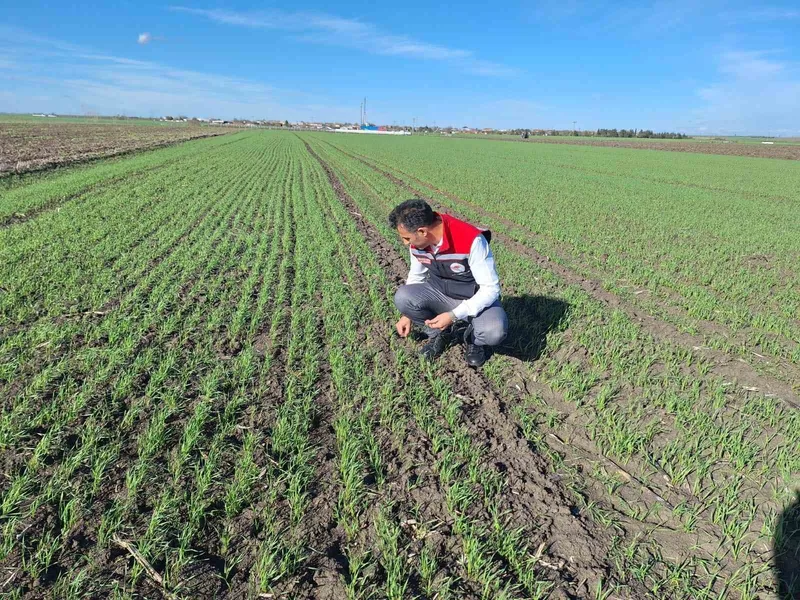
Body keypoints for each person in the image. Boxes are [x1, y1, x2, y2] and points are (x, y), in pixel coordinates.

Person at [389, 199, 508, 367]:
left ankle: (474, 340)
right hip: (440, 293)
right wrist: (407, 315)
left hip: (473, 296)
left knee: (494, 331)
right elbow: (416, 276)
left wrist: (453, 315)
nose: (405, 243)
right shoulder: (418, 244)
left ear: (422, 231)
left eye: (407, 238)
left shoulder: (471, 240)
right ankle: (439, 333)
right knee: (403, 296)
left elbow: (490, 289)